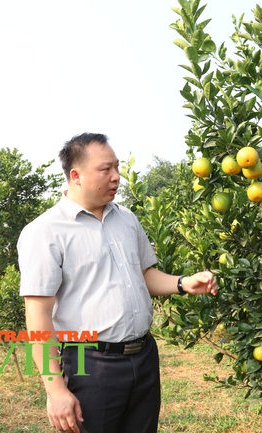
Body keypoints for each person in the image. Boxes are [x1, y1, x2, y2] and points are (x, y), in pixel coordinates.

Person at [17, 133, 218, 433]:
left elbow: (145, 275)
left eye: (117, 168)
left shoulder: (125, 219)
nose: (116, 177)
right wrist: (55, 390)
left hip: (144, 357)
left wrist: (183, 283)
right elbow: (38, 318)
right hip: (91, 365)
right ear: (76, 175)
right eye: (106, 169)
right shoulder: (45, 232)